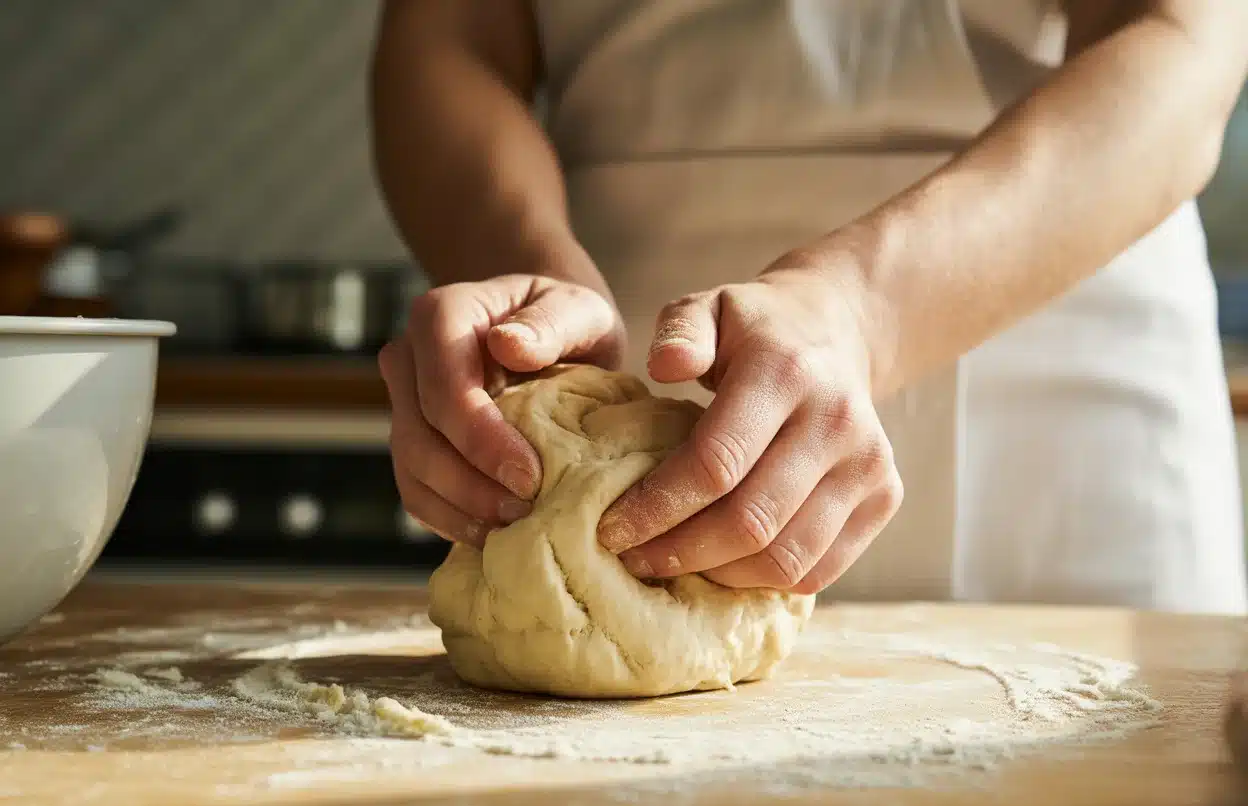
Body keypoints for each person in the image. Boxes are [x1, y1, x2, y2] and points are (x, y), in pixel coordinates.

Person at [370, 0, 1248, 614]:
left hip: (1053, 328)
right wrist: (530, 287)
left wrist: (863, 313)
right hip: (624, 341)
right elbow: (449, 38)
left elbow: (1182, 37)